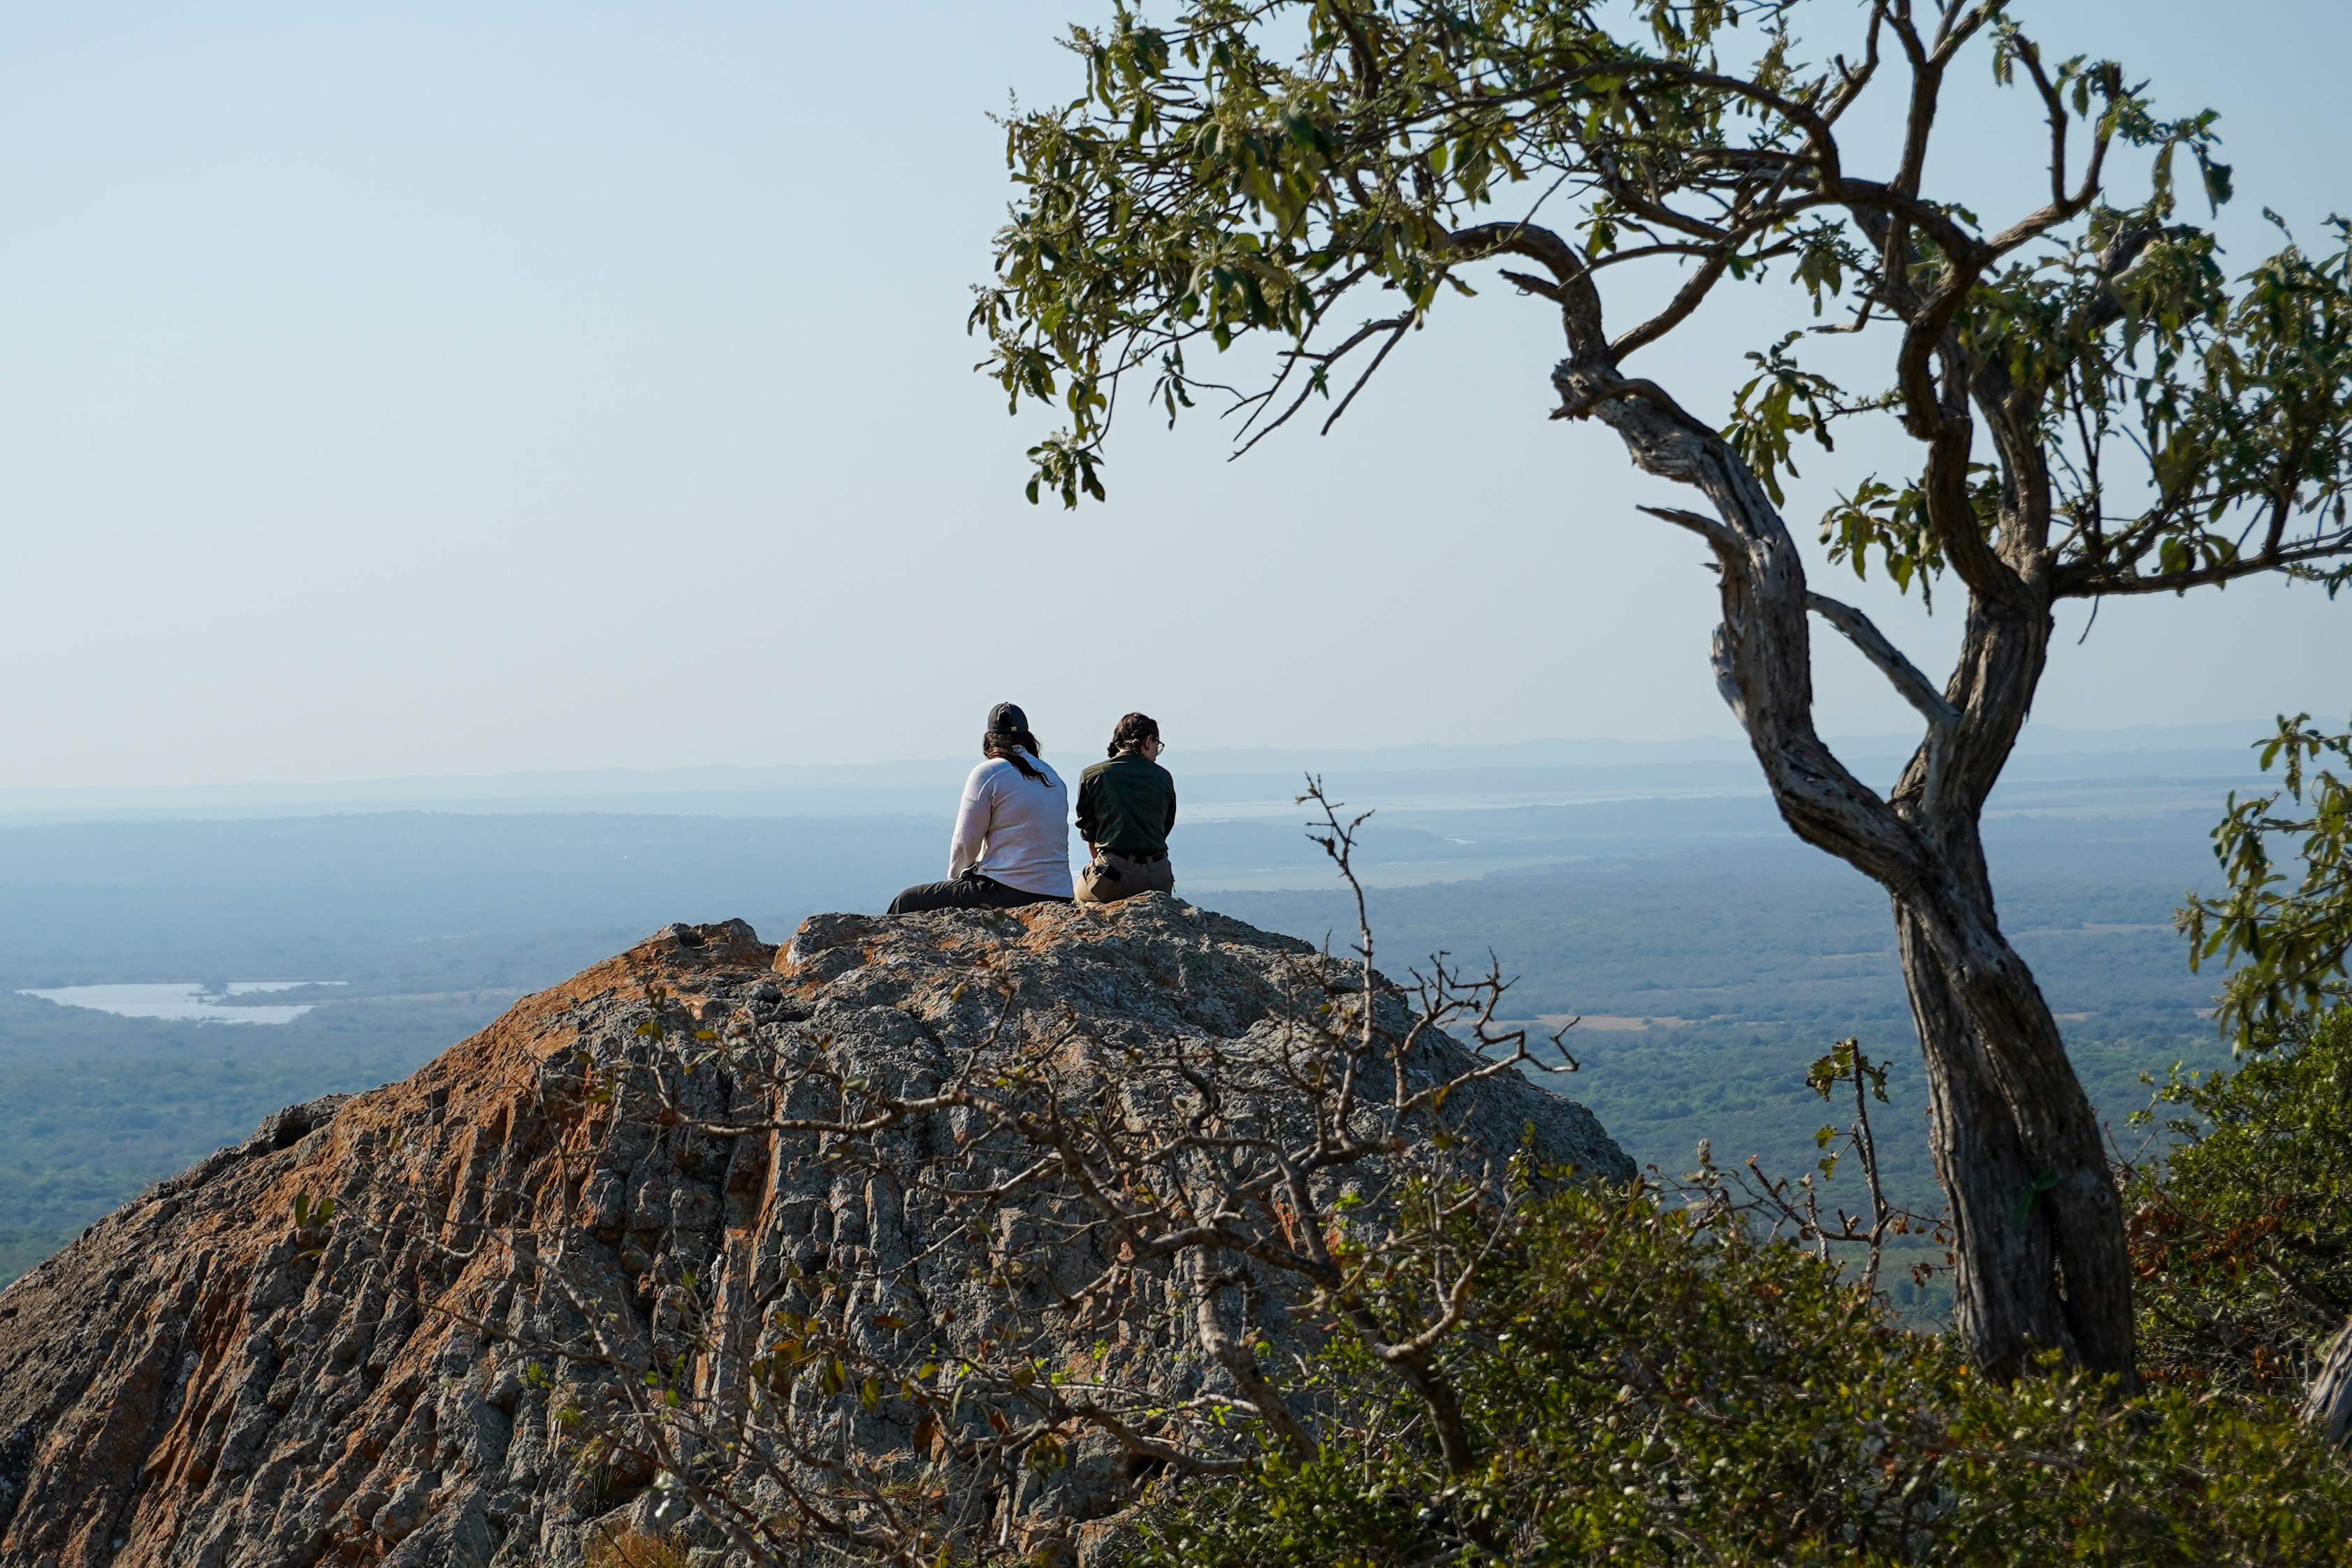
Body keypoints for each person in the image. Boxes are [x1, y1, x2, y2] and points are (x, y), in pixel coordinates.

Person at [887, 703, 1075, 915]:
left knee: (907, 901)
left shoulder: (989, 772)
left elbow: (966, 843)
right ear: (1027, 738)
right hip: (1059, 893)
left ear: (989, 739)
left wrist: (957, 879)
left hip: (1010, 892)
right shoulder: (1052, 776)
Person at [1075, 712, 1177, 904]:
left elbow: (1090, 833)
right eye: (1157, 745)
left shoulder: (1093, 775)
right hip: (1158, 876)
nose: (1156, 752)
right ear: (1148, 741)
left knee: (1078, 899)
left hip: (1114, 873)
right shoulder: (1163, 777)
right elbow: (1165, 827)